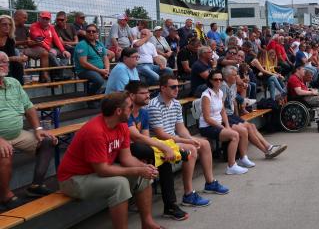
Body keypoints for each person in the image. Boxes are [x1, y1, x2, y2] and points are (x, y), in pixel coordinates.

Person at [57, 93, 162, 229]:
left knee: (143, 176)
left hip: (94, 173)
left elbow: (127, 158)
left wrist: (145, 168)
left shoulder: (122, 125)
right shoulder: (95, 131)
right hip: (72, 179)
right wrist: (138, 170)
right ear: (119, 111)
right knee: (120, 184)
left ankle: (147, 223)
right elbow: (102, 170)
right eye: (130, 106)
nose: (133, 108)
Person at [148, 74, 229, 207]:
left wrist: (190, 138)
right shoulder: (154, 105)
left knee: (204, 143)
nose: (177, 89)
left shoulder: (176, 103)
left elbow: (181, 128)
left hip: (172, 139)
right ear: (162, 88)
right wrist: (188, 142)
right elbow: (160, 134)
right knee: (191, 149)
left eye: (178, 86)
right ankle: (188, 194)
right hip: (159, 143)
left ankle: (210, 182)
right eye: (173, 87)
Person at [0, 52, 57, 209]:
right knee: (5, 151)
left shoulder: (13, 83)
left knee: (47, 141)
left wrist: (38, 128)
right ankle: (5, 195)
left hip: (17, 134)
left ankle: (36, 186)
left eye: (5, 61)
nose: (2, 64)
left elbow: (29, 107)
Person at [125, 81, 189, 221]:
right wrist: (163, 148)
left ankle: (170, 206)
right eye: (143, 93)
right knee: (157, 151)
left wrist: (155, 150)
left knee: (164, 159)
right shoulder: (126, 112)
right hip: (124, 151)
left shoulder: (143, 112)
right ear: (132, 95)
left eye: (148, 92)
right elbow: (135, 136)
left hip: (141, 149)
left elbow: (146, 137)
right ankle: (177, 153)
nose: (148, 95)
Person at [221, 66, 287, 159]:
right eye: (234, 75)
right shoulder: (223, 87)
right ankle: (267, 151)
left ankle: (269, 147)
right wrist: (227, 123)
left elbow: (233, 102)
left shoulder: (232, 85)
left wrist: (237, 115)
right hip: (225, 116)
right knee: (248, 127)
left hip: (231, 115)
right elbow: (221, 107)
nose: (237, 77)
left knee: (252, 126)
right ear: (227, 77)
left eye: (237, 75)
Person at [197, 70, 250, 175]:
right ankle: (231, 166)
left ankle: (243, 158)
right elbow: (207, 118)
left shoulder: (220, 92)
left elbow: (222, 111)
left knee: (242, 131)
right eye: (216, 79)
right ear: (210, 81)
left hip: (218, 123)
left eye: (220, 79)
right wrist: (223, 128)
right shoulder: (206, 95)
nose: (218, 81)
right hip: (207, 126)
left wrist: (226, 125)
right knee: (234, 135)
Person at [29, 11, 72, 80]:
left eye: (47, 19)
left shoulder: (51, 27)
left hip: (49, 49)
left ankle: (58, 74)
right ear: (39, 18)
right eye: (43, 18)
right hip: (38, 48)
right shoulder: (34, 26)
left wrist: (63, 50)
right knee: (51, 54)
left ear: (49, 20)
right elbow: (39, 41)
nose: (45, 20)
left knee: (67, 54)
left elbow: (56, 39)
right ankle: (60, 74)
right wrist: (49, 49)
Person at [14, 10, 51, 82]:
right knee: (20, 53)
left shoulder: (24, 28)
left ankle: (44, 75)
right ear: (17, 17)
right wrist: (25, 42)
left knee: (44, 53)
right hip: (15, 49)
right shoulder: (10, 27)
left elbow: (29, 42)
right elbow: (10, 43)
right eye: (24, 18)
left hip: (26, 48)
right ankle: (23, 76)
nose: (26, 20)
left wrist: (36, 42)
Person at [74, 24, 109, 97]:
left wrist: (107, 70)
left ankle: (101, 95)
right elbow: (83, 63)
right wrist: (100, 71)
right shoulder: (82, 44)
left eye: (93, 31)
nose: (91, 33)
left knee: (115, 77)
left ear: (97, 33)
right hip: (84, 71)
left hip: (99, 70)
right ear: (86, 33)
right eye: (88, 31)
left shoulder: (100, 44)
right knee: (99, 80)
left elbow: (105, 58)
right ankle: (90, 98)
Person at [0, 15, 27, 84]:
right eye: (4, 24)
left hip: (6, 64)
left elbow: (12, 56)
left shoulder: (10, 39)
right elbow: (11, 58)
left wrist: (20, 58)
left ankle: (19, 88)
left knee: (18, 65)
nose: (8, 26)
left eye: (10, 24)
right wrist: (14, 58)